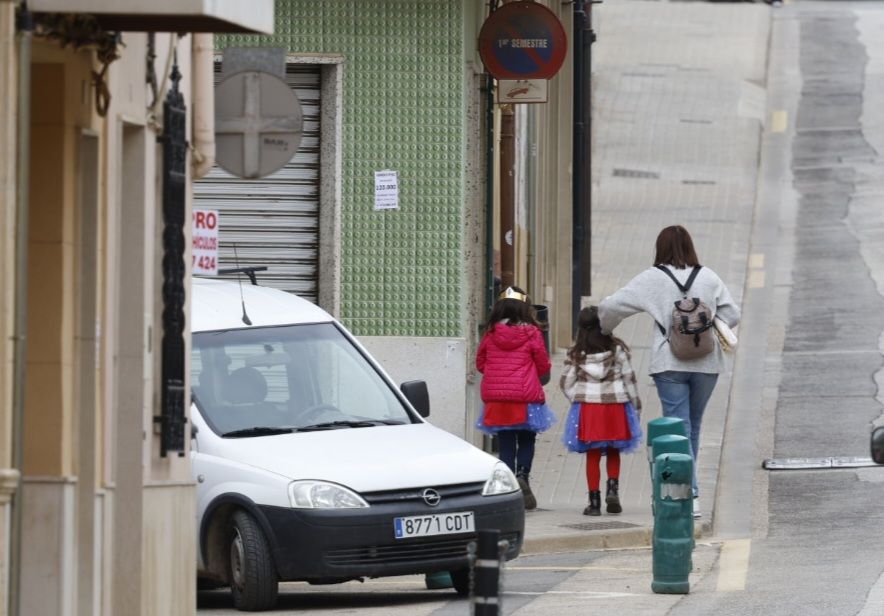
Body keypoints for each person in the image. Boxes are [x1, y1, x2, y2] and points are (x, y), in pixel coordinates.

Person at [598, 225, 741, 518]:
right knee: (693, 427)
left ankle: (690, 494)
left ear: (660, 248)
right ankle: (690, 490)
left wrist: (604, 330)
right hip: (707, 362)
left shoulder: (652, 278)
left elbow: (612, 306)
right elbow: (733, 314)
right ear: (690, 246)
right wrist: (706, 324)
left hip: (669, 363)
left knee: (679, 428)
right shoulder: (708, 276)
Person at [476, 286, 556, 510]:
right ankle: (523, 475)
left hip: (497, 399)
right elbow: (543, 363)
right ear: (524, 308)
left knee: (506, 441)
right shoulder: (531, 332)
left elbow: (480, 362)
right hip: (525, 396)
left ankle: (509, 486)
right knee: (527, 439)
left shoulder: (491, 333)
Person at [560, 306, 643, 516]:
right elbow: (629, 380)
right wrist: (636, 406)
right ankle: (613, 490)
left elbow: (565, 382)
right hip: (616, 406)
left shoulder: (576, 353)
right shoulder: (617, 350)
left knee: (593, 455)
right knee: (614, 450)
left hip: (589, 409)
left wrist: (579, 398)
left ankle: (594, 502)